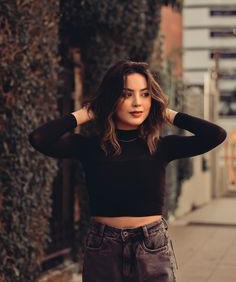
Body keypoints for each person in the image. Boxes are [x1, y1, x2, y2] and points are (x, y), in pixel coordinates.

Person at [28, 60, 227, 282]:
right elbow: (39, 138)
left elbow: (216, 135)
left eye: (144, 94)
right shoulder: (90, 147)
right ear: (112, 99)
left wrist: (166, 112)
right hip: (103, 247)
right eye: (126, 94)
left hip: (151, 246)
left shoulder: (161, 147)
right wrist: (87, 113)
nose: (137, 103)